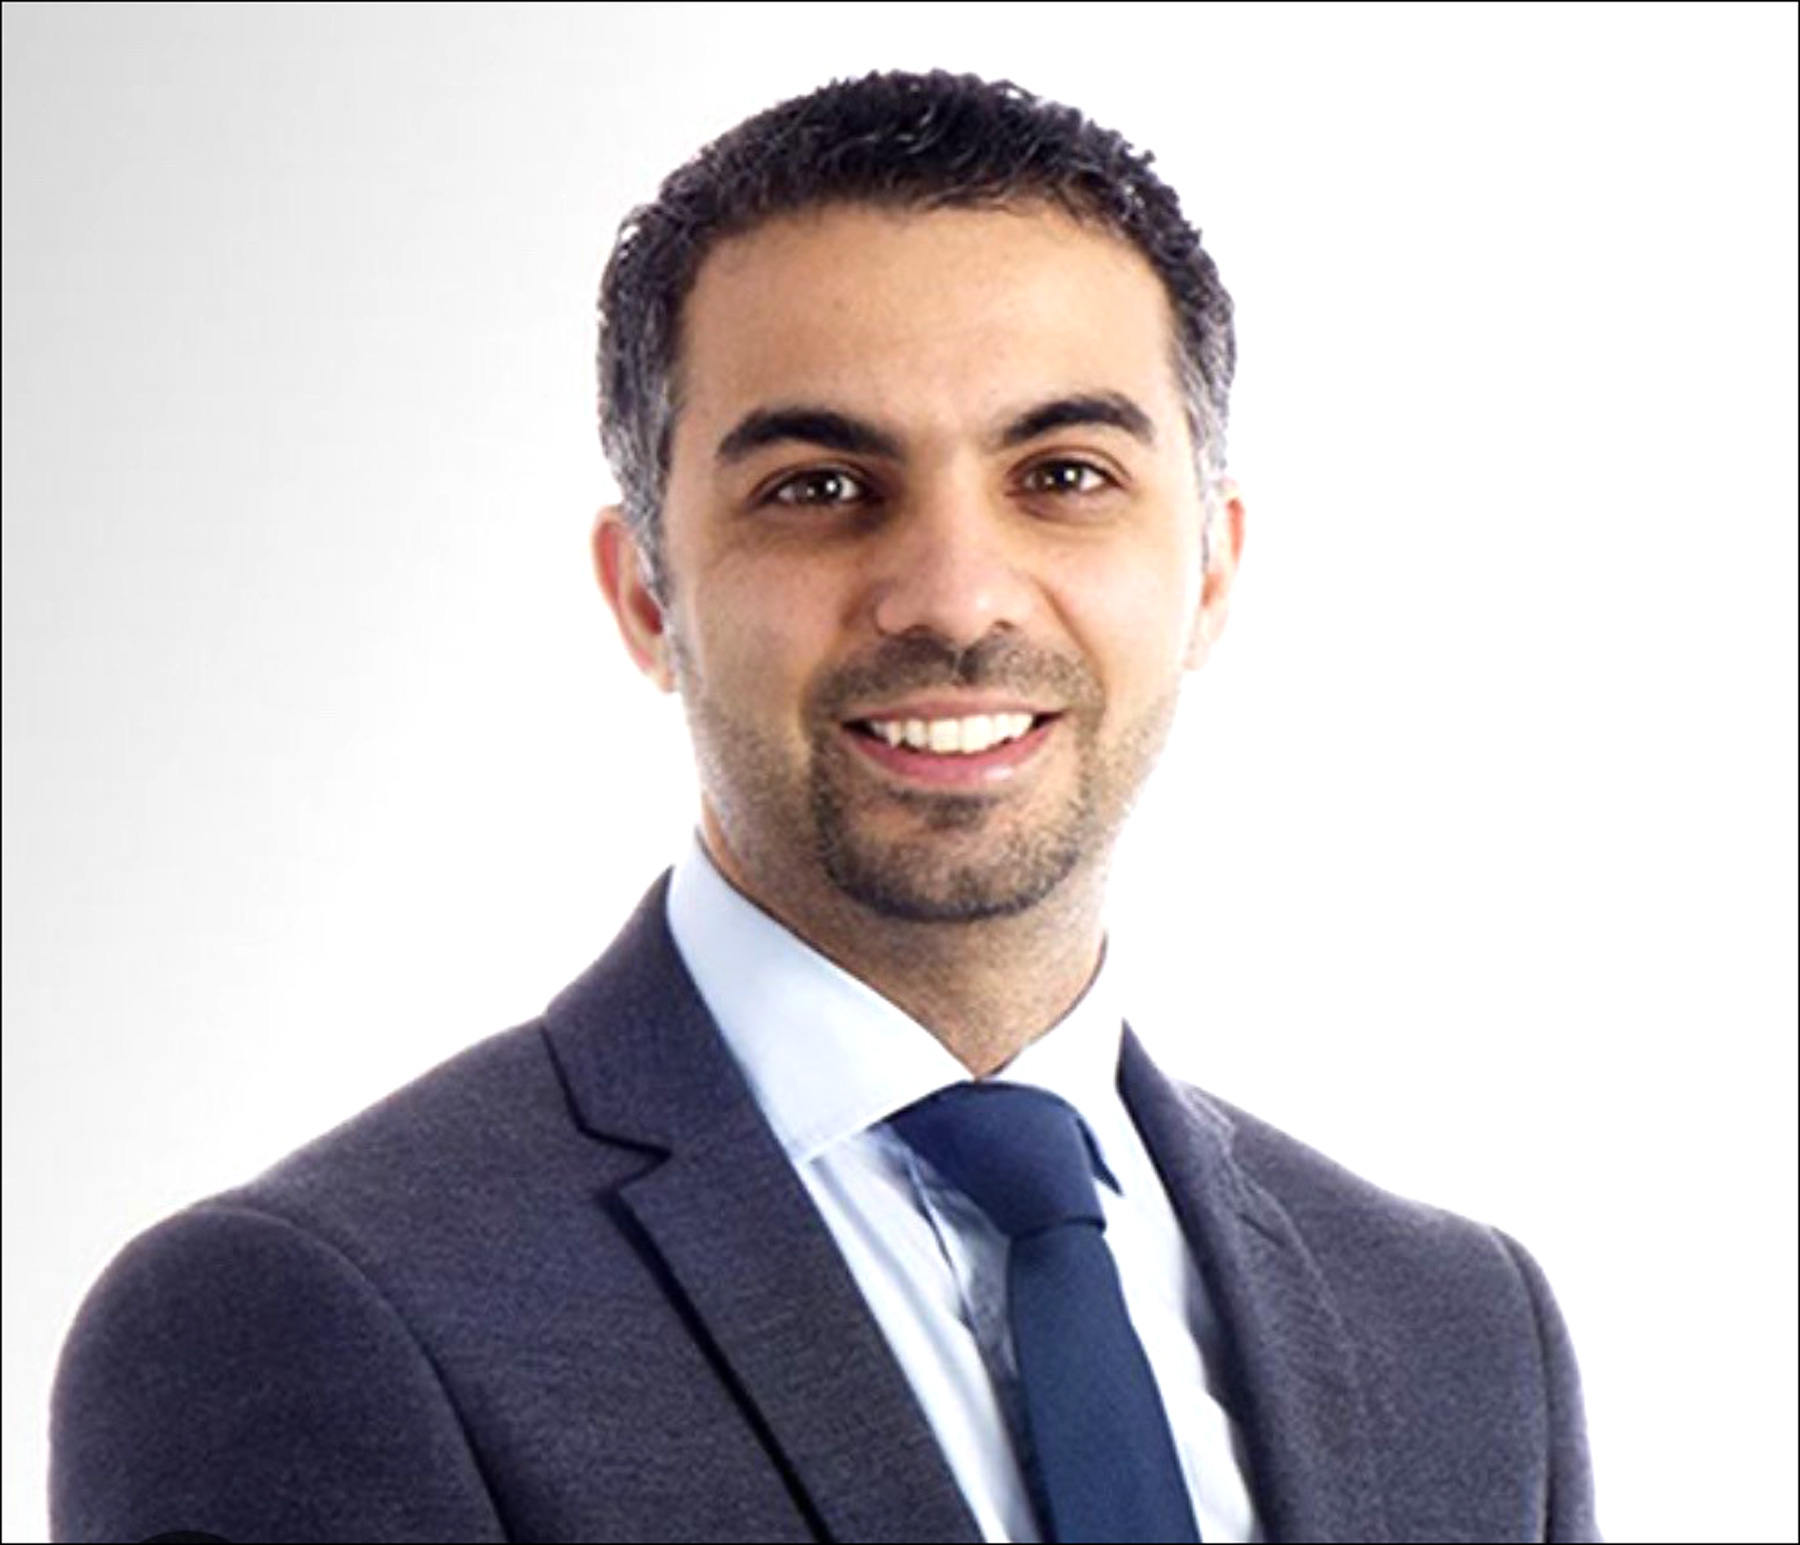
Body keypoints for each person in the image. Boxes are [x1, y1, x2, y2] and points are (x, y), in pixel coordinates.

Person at [49, 71, 1598, 1544]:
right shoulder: (304, 1317)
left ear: (1210, 570)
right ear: (645, 594)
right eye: (819, 487)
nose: (956, 596)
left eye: (1064, 474)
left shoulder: (1460, 1335)